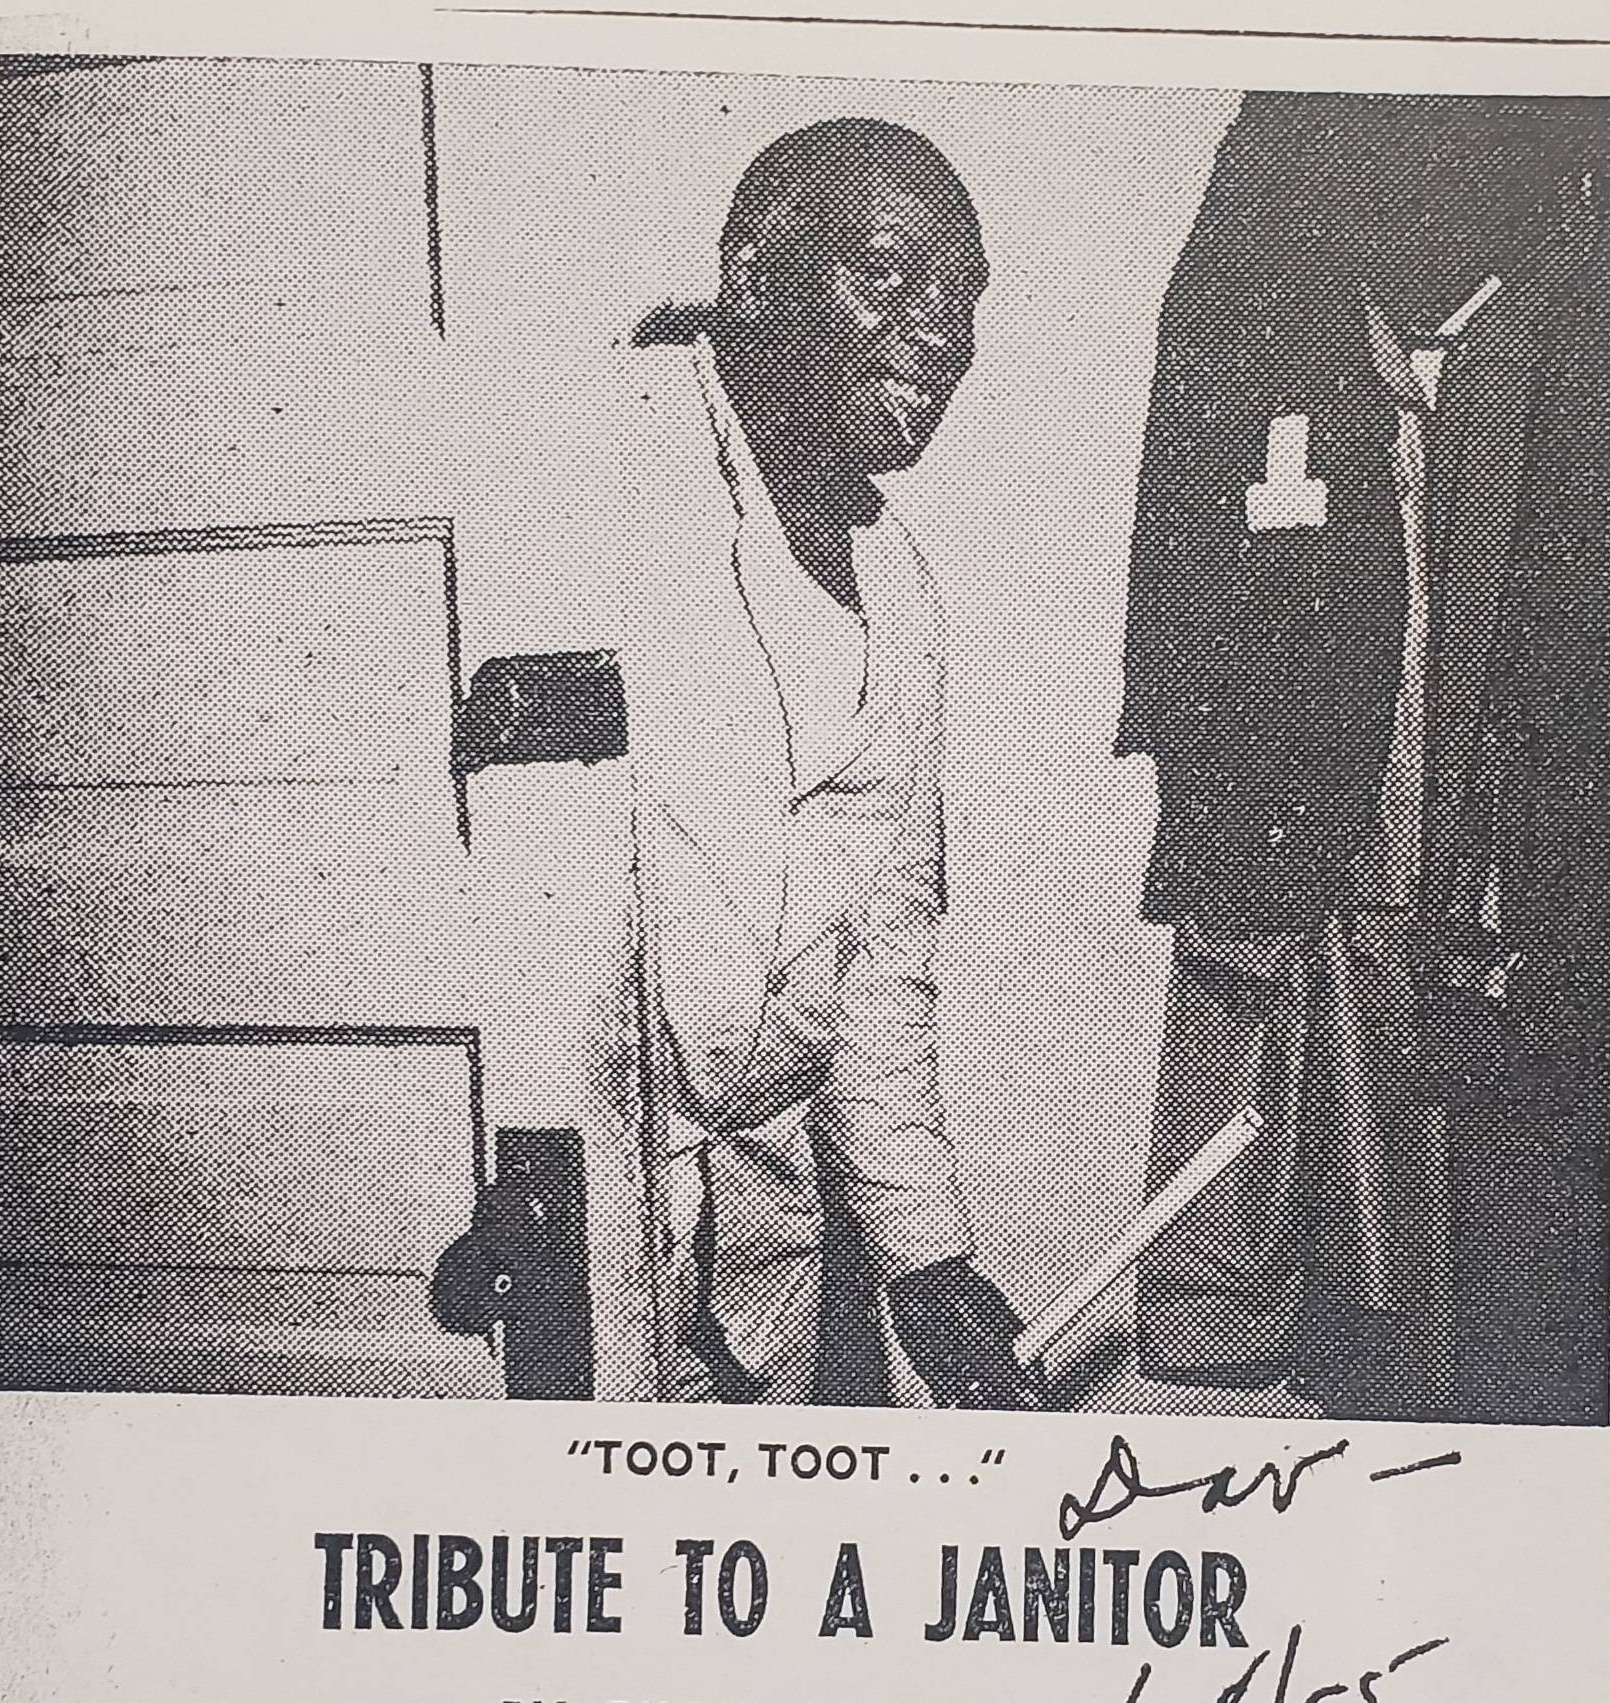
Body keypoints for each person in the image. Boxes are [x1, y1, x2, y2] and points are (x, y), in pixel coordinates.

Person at [1118, 92, 1610, 1424]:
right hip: (1341, 797)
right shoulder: (1282, 274)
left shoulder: (1550, 343)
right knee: (1325, 994)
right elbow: (1193, 467)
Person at [587, 118, 1038, 1408]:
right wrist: (550, 1203)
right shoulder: (606, 509)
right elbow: (527, 899)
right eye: (896, 290)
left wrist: (931, 1262)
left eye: (958, 317)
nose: (936, 351)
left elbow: (882, 966)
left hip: (787, 1239)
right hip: (592, 1212)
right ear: (768, 284)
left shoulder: (896, 585)